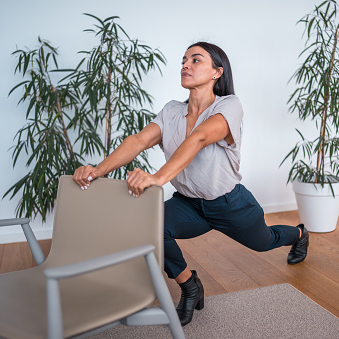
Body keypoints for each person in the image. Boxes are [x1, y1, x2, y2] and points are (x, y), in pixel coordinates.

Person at [73, 41, 309, 326]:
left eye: (196, 60)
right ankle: (189, 286)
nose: (185, 64)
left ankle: (299, 234)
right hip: (188, 204)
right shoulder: (172, 111)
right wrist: (98, 170)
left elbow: (198, 139)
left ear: (216, 73)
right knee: (150, 229)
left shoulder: (229, 106)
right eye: (184, 59)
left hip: (229, 203)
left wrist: (157, 178)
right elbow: (139, 140)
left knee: (264, 242)